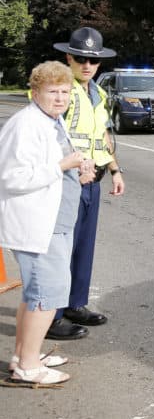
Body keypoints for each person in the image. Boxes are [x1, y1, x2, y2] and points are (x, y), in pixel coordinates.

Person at [1, 61, 94, 385]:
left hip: (56, 221)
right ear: (35, 92)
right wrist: (61, 166)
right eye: (52, 91)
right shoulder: (26, 124)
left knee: (35, 294)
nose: (60, 98)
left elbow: (58, 164)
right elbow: (11, 177)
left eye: (65, 91)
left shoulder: (52, 120)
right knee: (47, 295)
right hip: (40, 225)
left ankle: (25, 353)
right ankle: (28, 366)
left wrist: (79, 169)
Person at [46, 27, 125, 341]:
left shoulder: (98, 92)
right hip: (68, 181)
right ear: (68, 57)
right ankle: (50, 316)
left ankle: (74, 304)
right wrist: (74, 167)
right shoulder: (60, 89)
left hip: (92, 182)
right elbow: (50, 134)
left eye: (93, 59)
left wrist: (116, 170)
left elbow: (102, 137)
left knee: (82, 247)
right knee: (60, 249)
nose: (87, 65)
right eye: (80, 58)